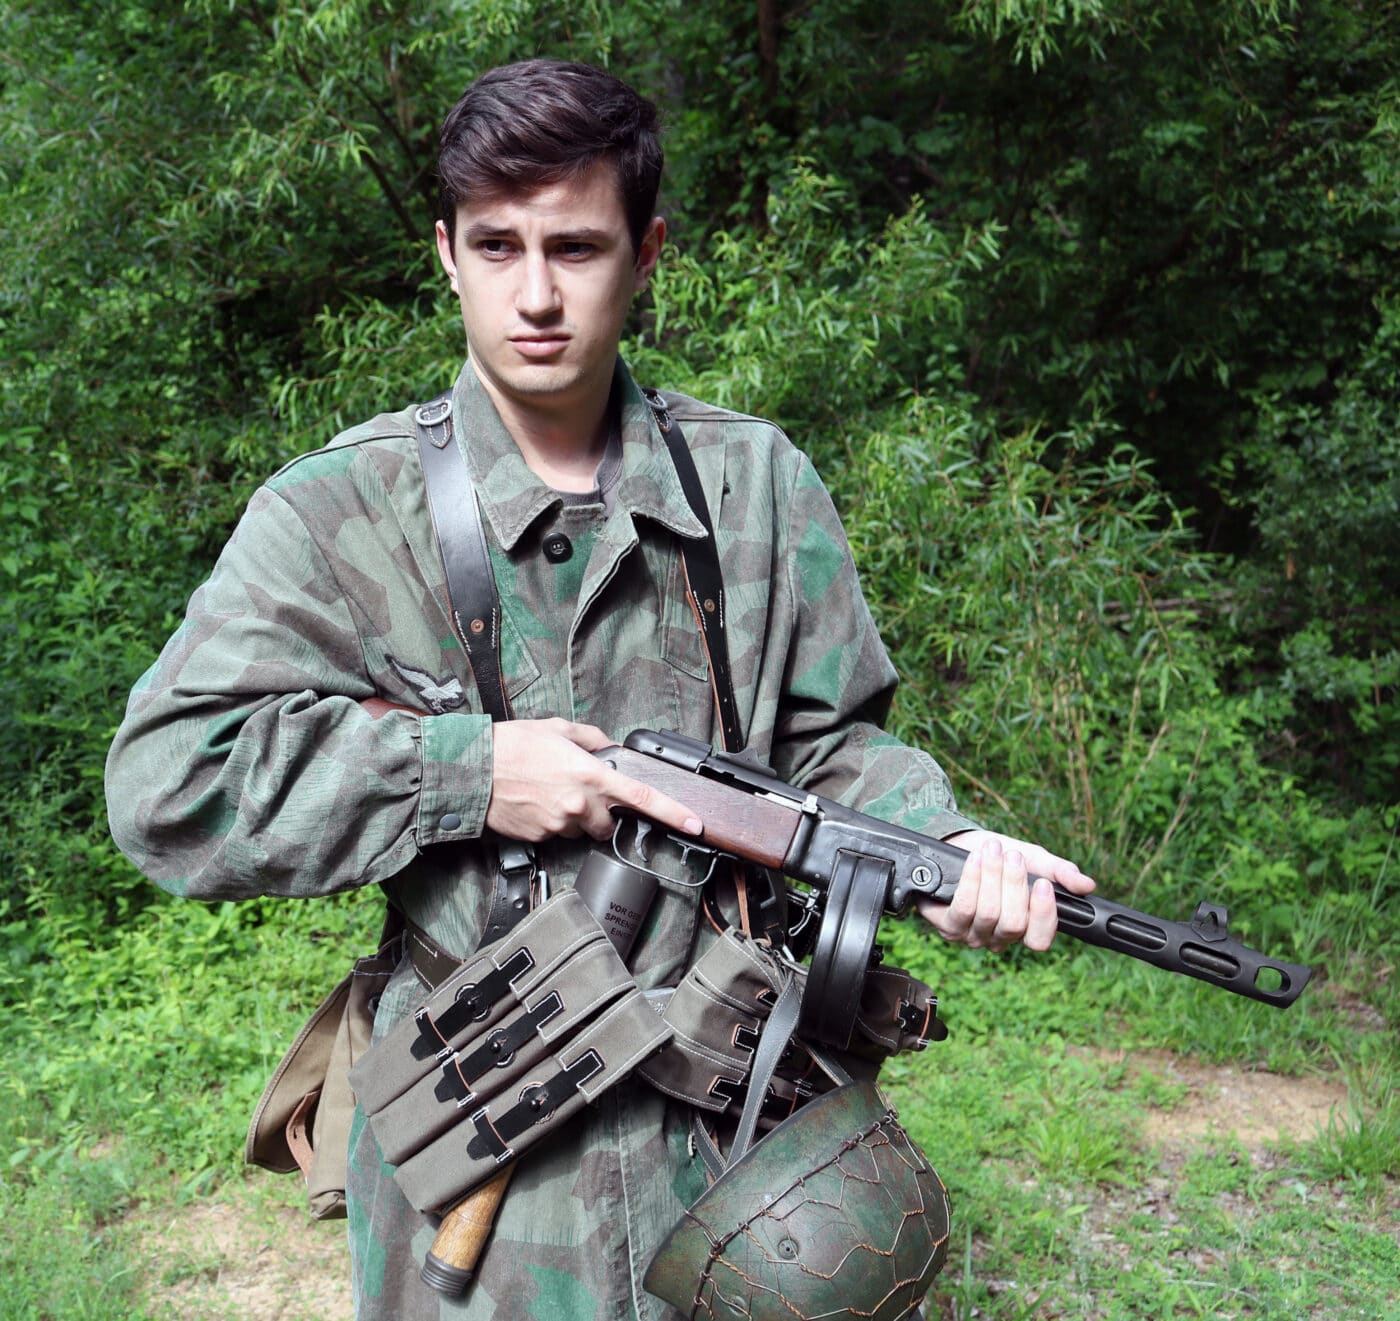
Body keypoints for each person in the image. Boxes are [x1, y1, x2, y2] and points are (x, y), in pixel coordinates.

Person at [106, 58, 1094, 1320]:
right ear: (446, 255)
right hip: (485, 1151)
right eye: (496, 245)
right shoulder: (339, 512)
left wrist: (939, 844)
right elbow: (164, 785)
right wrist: (468, 773)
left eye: (574, 247)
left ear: (645, 255)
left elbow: (828, 747)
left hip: (744, 1150)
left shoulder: (755, 485)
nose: (533, 296)